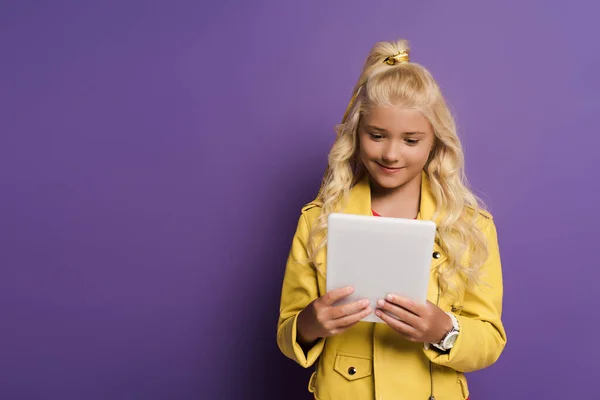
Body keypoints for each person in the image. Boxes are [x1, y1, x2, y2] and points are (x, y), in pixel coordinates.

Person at [276, 38, 506, 400]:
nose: (391, 154)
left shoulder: (471, 227)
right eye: (377, 135)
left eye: (411, 140)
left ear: (435, 142)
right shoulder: (319, 220)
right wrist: (309, 323)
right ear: (357, 134)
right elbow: (288, 332)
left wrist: (443, 329)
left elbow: (490, 340)